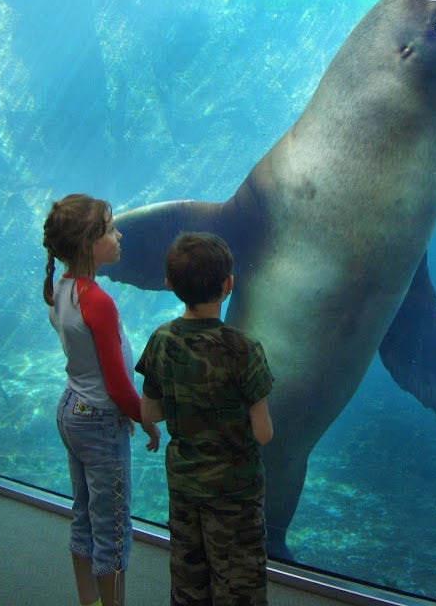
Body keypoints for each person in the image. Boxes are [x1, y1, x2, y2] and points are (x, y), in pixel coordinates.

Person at [136, 231, 274, 606]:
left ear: (168, 284)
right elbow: (263, 433)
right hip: (235, 492)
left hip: (184, 485)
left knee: (188, 578)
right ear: (229, 285)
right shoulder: (244, 350)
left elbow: (150, 412)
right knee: (239, 583)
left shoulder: (161, 340)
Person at [43, 194, 160, 606]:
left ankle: (88, 601)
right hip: (99, 421)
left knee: (84, 517)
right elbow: (116, 384)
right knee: (113, 529)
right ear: (89, 243)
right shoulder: (98, 301)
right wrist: (145, 417)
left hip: (72, 410)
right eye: (110, 229)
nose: (119, 234)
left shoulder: (62, 288)